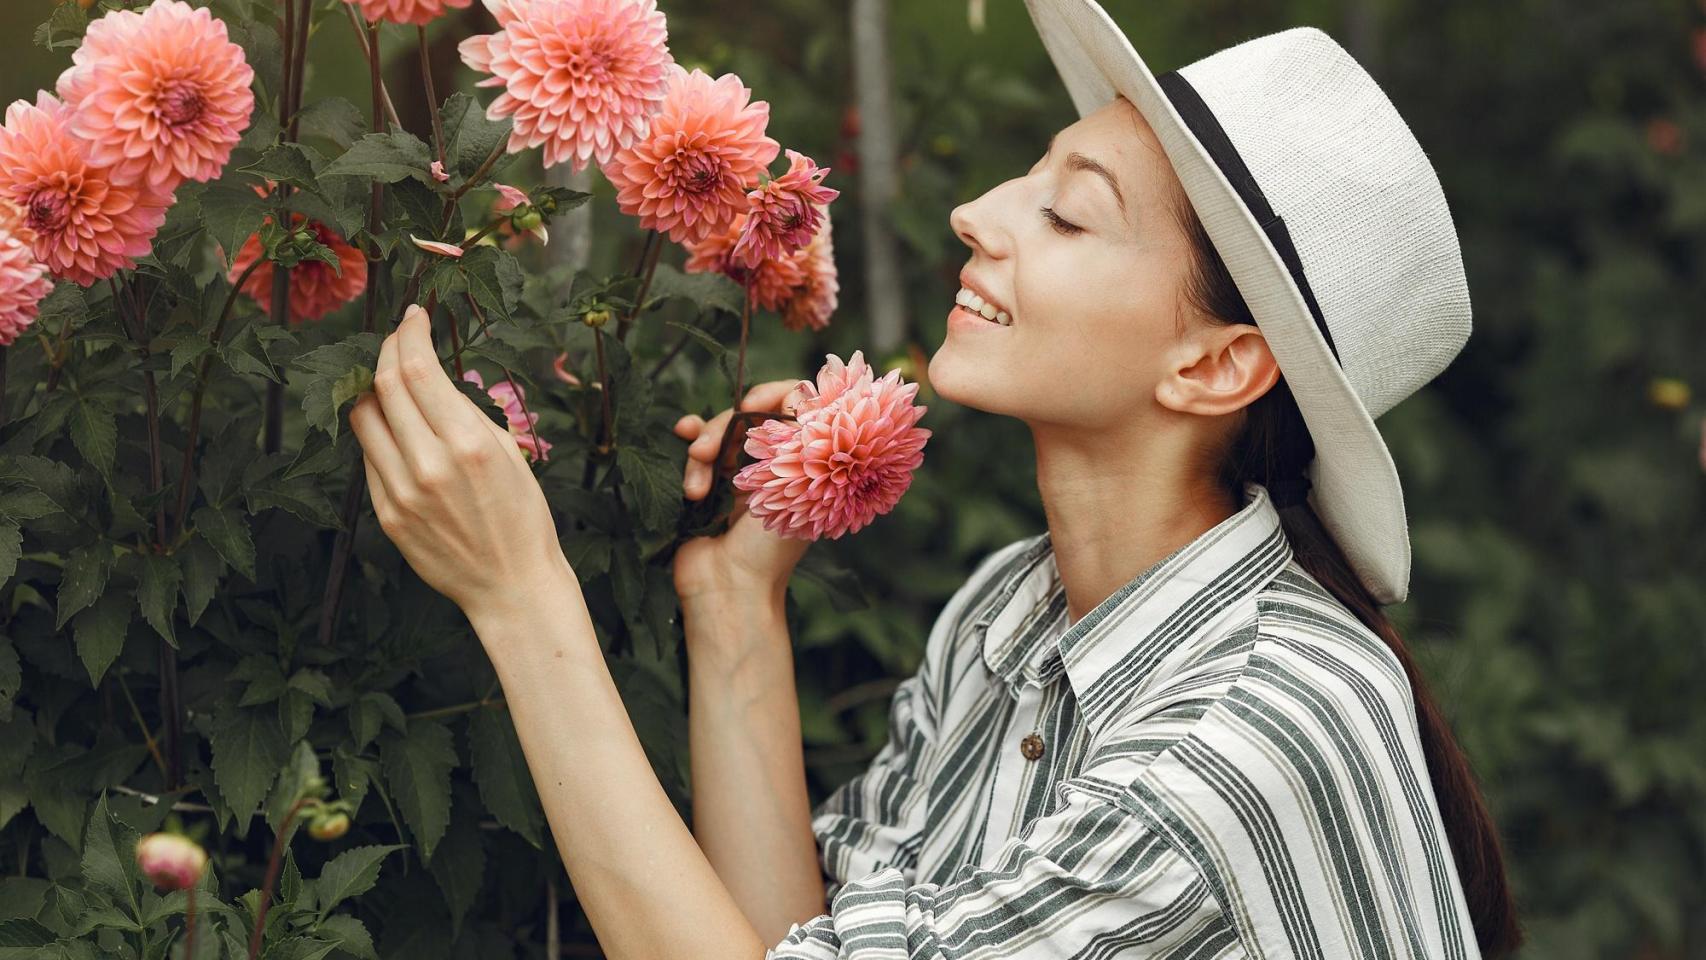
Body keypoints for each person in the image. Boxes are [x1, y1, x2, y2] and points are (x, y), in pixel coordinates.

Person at [347, 0, 1522, 956]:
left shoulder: (1249, 735)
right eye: (1029, 176)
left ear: (1214, 365)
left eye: (1065, 217)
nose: (974, 214)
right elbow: (792, 944)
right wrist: (733, 601)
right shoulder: (1012, 610)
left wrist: (521, 598)